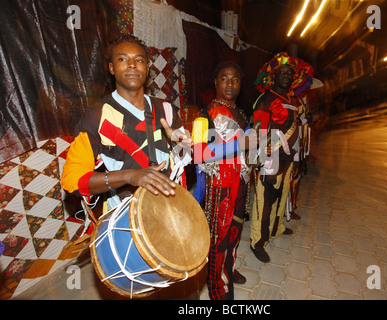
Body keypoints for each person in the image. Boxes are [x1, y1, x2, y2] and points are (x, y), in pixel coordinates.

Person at [61, 34, 192, 214]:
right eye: (123, 59)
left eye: (139, 60)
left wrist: (181, 144)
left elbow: (185, 159)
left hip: (167, 211)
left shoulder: (166, 109)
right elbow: (72, 180)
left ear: (147, 69)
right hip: (124, 216)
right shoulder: (95, 116)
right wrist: (129, 176)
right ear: (111, 68)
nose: (132, 64)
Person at [192, 61, 255, 300]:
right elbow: (198, 154)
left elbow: (247, 149)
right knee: (218, 240)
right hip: (219, 189)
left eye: (235, 79)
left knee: (235, 233)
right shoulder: (203, 115)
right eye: (224, 78)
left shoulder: (241, 113)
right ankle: (216, 286)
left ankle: (229, 269)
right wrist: (240, 144)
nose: (230, 83)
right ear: (215, 82)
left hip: (240, 183)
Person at [250, 52, 313, 263]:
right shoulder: (266, 99)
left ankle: (277, 228)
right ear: (273, 77)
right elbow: (257, 133)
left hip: (288, 158)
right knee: (264, 201)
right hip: (271, 159)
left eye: (289, 73)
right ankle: (258, 242)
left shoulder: (292, 101)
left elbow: (295, 134)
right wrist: (263, 162)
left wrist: (296, 160)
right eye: (282, 72)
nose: (286, 75)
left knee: (281, 195)